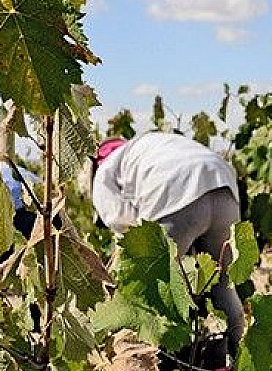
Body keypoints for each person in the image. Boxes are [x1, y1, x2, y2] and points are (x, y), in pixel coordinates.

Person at [89, 131, 246, 354]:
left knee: (151, 295)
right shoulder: (148, 148)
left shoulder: (105, 170)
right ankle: (238, 360)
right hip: (221, 183)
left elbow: (129, 233)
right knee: (223, 284)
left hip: (177, 192)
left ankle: (158, 364)